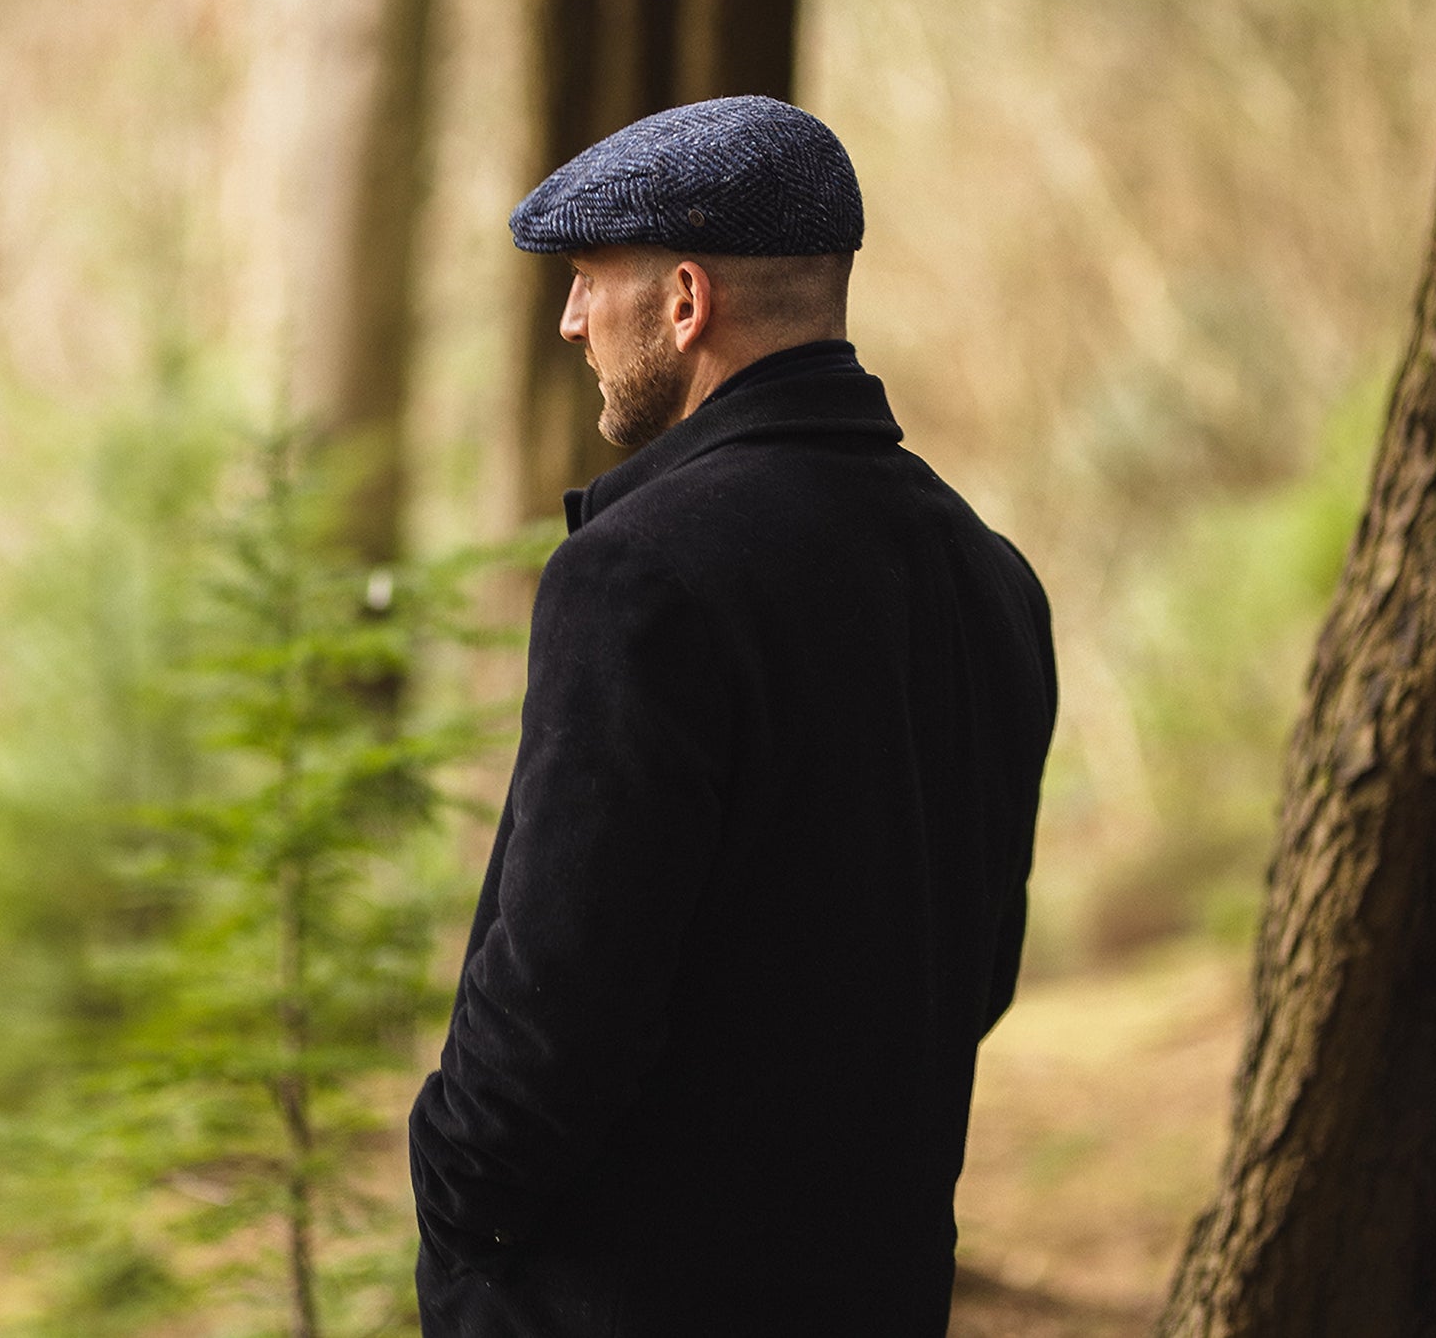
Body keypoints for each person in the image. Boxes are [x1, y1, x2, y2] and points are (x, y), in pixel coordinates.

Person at [409, 95, 1057, 1338]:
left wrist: (455, 1198)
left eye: (591, 278)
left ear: (686, 301)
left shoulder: (636, 576)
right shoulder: (989, 574)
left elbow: (558, 999)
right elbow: (977, 969)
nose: (570, 318)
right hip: (879, 1288)